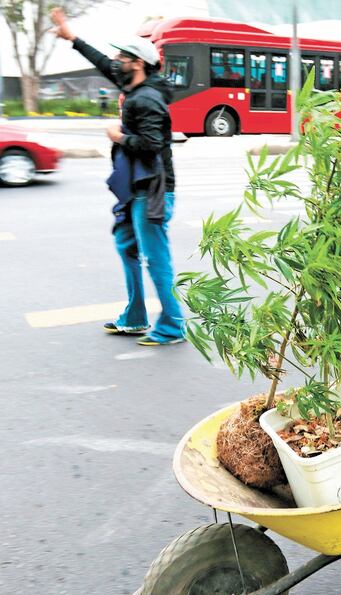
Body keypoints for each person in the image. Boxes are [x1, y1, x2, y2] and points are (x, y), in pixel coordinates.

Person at [51, 8, 184, 345]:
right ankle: (135, 316)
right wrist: (73, 39)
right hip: (135, 186)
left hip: (153, 188)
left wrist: (120, 136)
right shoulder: (135, 85)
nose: (114, 61)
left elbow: (153, 144)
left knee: (156, 257)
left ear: (136, 62)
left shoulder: (149, 99)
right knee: (126, 244)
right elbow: (103, 63)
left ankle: (172, 326)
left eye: (120, 57)